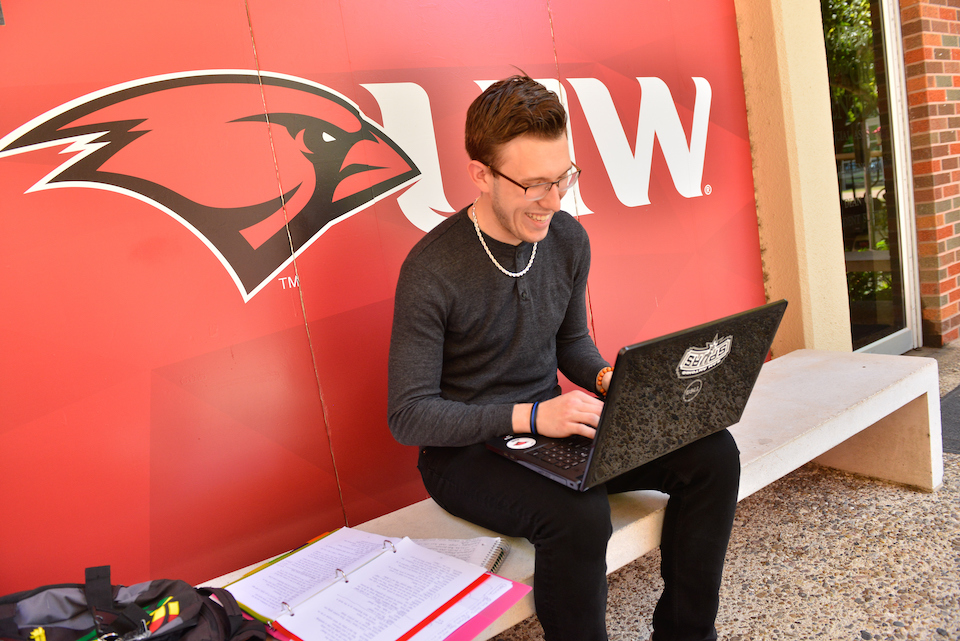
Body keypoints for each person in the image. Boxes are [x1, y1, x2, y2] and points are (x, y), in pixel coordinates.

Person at [387, 75, 741, 641]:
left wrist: (610, 381)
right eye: (535, 185)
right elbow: (409, 415)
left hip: (554, 429)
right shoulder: (430, 270)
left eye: (563, 178)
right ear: (481, 173)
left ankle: (685, 633)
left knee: (713, 454)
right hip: (464, 455)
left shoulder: (568, 239)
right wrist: (531, 416)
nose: (555, 201)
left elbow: (571, 343)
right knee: (578, 516)